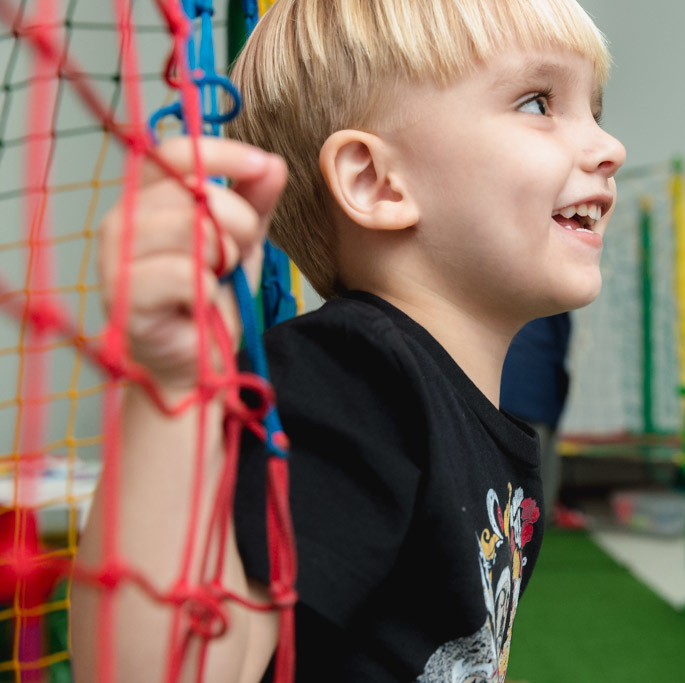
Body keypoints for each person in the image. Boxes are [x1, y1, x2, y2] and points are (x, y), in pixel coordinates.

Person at [70, 1, 626, 681]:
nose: (609, 146)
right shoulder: (358, 379)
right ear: (374, 181)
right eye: (539, 103)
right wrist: (173, 383)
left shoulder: (447, 401)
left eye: (593, 106)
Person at [500, 314, 572, 524]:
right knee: (537, 463)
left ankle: (526, 517)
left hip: (520, 387)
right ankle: (534, 518)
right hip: (535, 388)